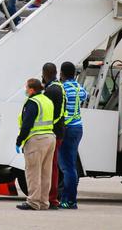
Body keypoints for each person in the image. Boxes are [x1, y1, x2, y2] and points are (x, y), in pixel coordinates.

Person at [16, 78, 56, 211]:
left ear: (32, 90)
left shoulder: (33, 102)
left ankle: (33, 202)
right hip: (50, 138)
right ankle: (44, 202)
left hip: (36, 139)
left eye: (26, 88)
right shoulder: (47, 101)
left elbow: (27, 124)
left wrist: (19, 140)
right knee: (46, 173)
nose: (25, 90)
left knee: (33, 172)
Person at [58, 61, 88, 209]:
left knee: (67, 167)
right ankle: (69, 199)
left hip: (67, 129)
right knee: (71, 165)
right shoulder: (78, 88)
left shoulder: (62, 88)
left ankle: (69, 200)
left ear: (61, 73)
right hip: (78, 128)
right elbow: (85, 96)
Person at [41, 63, 66, 210]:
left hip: (53, 132)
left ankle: (51, 198)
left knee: (50, 166)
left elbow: (51, 114)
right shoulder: (59, 87)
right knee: (53, 165)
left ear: (45, 73)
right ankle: (51, 197)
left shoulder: (51, 91)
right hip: (59, 130)